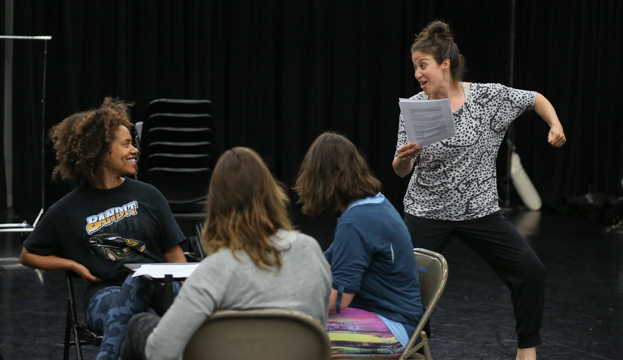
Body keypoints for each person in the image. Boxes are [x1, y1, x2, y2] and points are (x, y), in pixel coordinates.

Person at [393, 21, 567, 360]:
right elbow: (400, 170)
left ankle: (527, 350)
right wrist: (404, 157)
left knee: (531, 271)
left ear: (445, 63)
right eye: (415, 66)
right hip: (426, 210)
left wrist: (555, 124)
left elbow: (535, 99)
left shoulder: (489, 97)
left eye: (422, 65)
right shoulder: (417, 106)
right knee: (408, 284)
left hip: (478, 211)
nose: (417, 73)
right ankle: (418, 350)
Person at [120, 146, 332, 360]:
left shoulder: (214, 270)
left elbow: (161, 352)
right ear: (273, 194)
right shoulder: (311, 250)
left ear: (216, 206)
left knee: (141, 324)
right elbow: (318, 324)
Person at [20, 98, 187, 360]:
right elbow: (28, 255)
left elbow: (174, 255)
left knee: (142, 279)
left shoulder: (149, 195)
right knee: (145, 319)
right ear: (100, 152)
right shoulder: (66, 209)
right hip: (106, 295)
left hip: (160, 288)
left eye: (133, 143)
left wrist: (189, 293)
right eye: (126, 144)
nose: (135, 150)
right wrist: (73, 265)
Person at [295, 132, 423, 359]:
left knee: (296, 334)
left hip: (393, 329)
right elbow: (326, 262)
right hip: (384, 317)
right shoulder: (371, 204)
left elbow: (338, 300)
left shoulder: (357, 221)